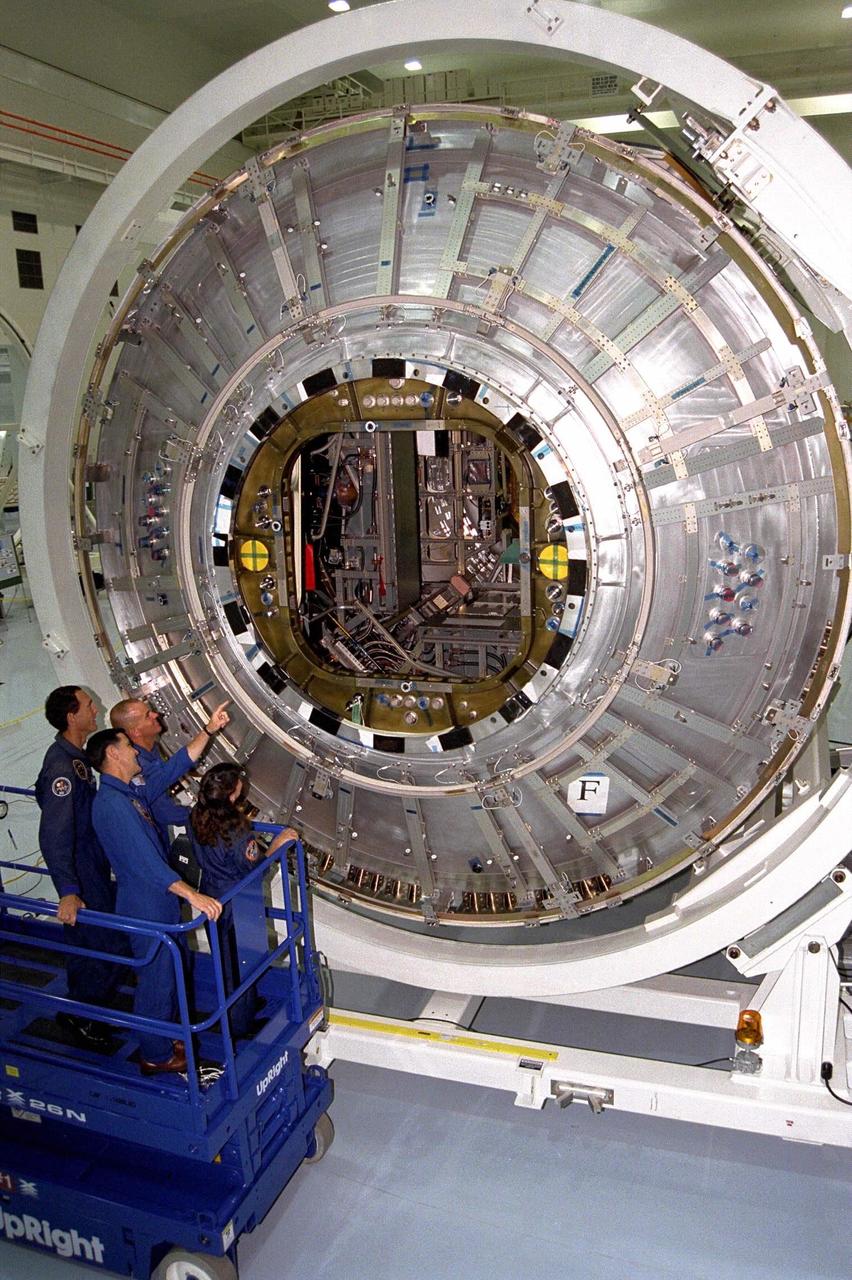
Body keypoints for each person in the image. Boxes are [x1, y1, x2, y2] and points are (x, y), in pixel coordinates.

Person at [87, 727, 222, 1075]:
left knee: (172, 972)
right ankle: (155, 1054)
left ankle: (166, 1038)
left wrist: (207, 730)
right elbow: (145, 863)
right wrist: (193, 894)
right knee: (156, 981)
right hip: (145, 904)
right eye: (128, 746)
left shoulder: (130, 792)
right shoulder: (112, 805)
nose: (135, 751)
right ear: (112, 755)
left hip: (158, 902)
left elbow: (170, 769)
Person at [35, 686, 125, 1050]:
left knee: (97, 944)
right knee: (98, 945)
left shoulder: (78, 758)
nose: (95, 708)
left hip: (92, 864)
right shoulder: (63, 768)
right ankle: (82, 1018)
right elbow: (54, 834)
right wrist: (68, 891)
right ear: (72, 716)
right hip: (81, 871)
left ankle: (88, 1011)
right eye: (89, 705)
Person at [187, 762, 297, 1040]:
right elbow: (257, 868)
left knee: (226, 963)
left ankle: (240, 1009)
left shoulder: (196, 816)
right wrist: (279, 844)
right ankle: (240, 1024)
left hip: (212, 895)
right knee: (243, 965)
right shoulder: (235, 830)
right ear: (232, 794)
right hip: (239, 903)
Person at [109, 697, 231, 844]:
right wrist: (211, 818)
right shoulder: (138, 767)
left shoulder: (152, 748)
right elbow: (165, 812)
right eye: (148, 715)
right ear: (135, 732)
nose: (155, 715)